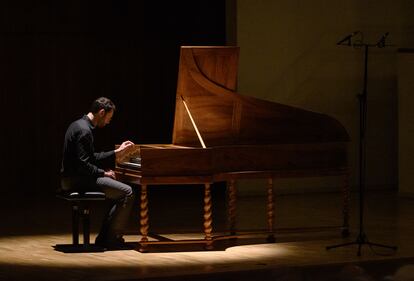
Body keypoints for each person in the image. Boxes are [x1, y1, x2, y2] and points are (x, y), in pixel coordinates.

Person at [60, 97, 135, 248]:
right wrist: (103, 173)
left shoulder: (78, 125)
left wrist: (116, 151)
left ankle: (106, 237)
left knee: (121, 191)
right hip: (76, 180)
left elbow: (90, 157)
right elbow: (83, 165)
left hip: (74, 177)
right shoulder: (84, 131)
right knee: (127, 192)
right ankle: (109, 238)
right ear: (102, 112)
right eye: (109, 117)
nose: (109, 121)